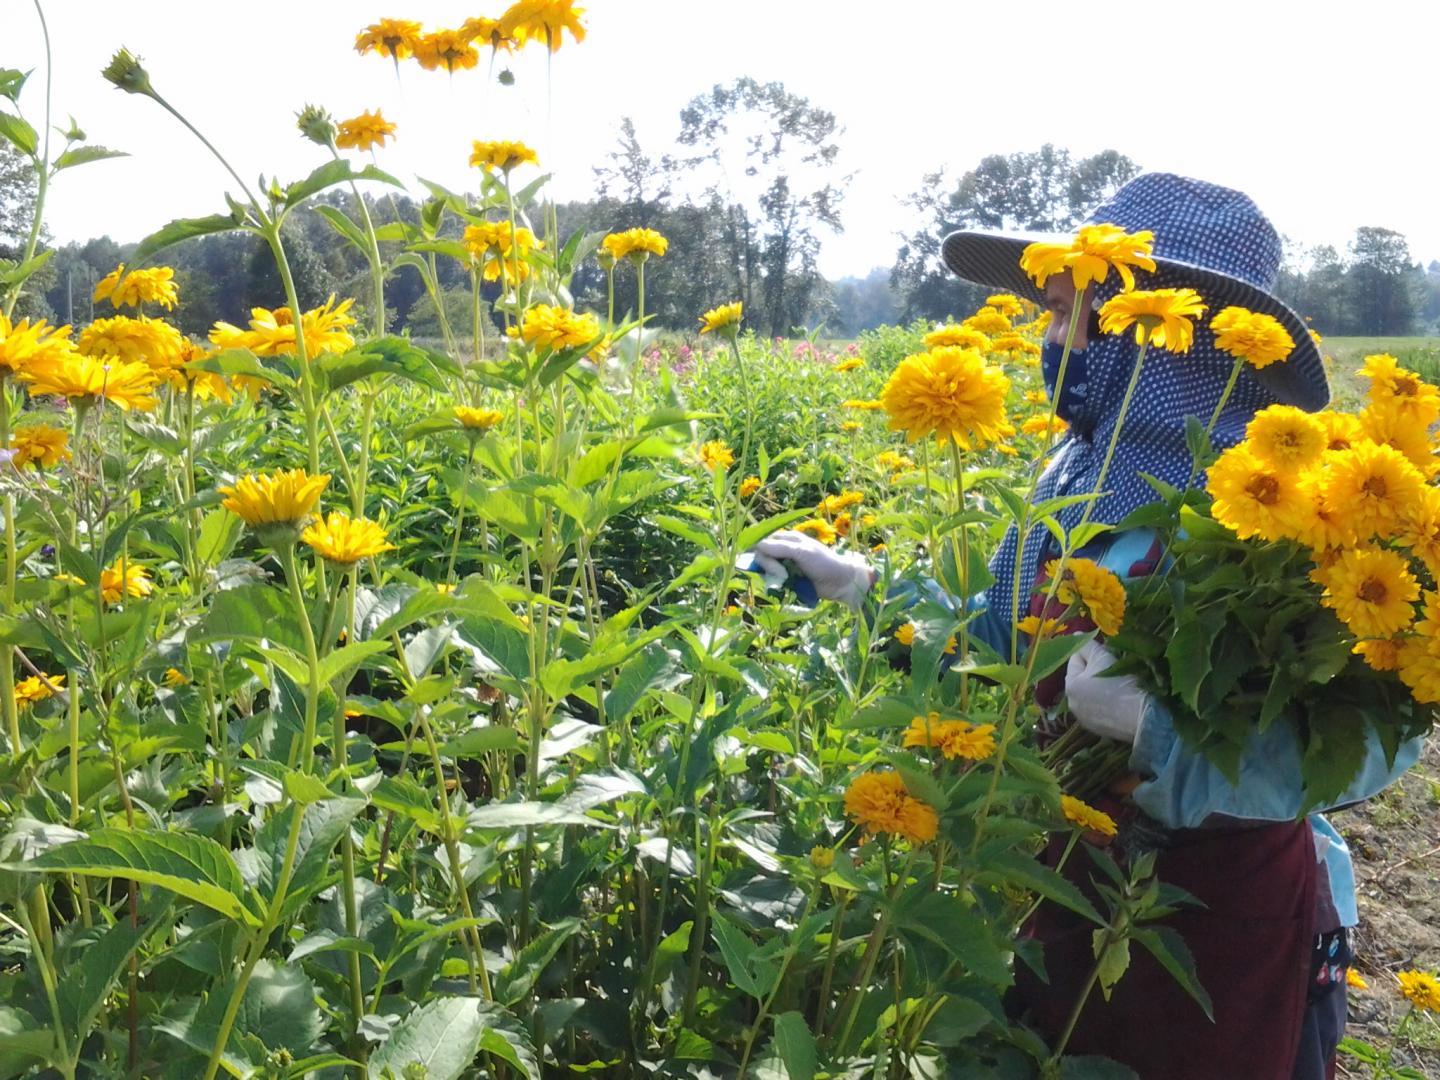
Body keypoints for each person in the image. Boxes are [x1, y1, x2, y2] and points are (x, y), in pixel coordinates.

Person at [749, 174, 1422, 1080]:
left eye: (1067, 310)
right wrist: (869, 595)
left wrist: (1159, 731)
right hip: (1063, 874)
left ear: (1154, 330)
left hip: (1218, 921)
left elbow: (1373, 747)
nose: (1048, 336)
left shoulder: (1298, 509)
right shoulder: (1074, 474)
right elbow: (1002, 662)